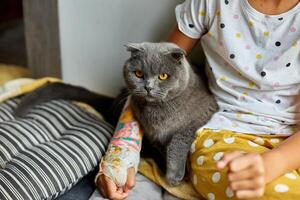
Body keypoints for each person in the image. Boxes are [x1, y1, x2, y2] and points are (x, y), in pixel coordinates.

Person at [96, 0, 300, 199]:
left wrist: (275, 162)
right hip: (224, 135)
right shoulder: (210, 4)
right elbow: (151, 81)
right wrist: (121, 154)